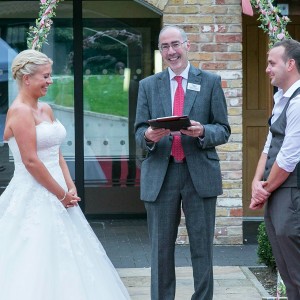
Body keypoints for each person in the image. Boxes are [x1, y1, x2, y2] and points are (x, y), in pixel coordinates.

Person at [0, 49, 130, 300]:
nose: (50, 81)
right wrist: (61, 195)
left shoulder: (46, 109)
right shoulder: (20, 112)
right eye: (45, 76)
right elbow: (31, 161)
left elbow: (56, 153)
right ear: (27, 78)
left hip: (60, 192)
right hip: (35, 193)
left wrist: (70, 186)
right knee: (35, 256)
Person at [134, 25, 231, 300]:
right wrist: (150, 136)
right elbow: (139, 133)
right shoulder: (148, 86)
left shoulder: (210, 81)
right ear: (160, 51)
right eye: (165, 47)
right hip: (161, 175)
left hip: (198, 173)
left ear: (187, 45)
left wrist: (203, 132)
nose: (171, 51)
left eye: (175, 44)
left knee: (202, 248)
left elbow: (223, 129)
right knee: (161, 249)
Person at [249, 39, 300, 300]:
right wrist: (256, 183)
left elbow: (289, 158)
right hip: (276, 192)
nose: (267, 68)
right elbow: (269, 148)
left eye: (272, 63)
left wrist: (264, 190)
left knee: (297, 272)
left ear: (290, 64)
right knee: (288, 272)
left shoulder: (299, 102)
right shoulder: (281, 99)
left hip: (292, 194)